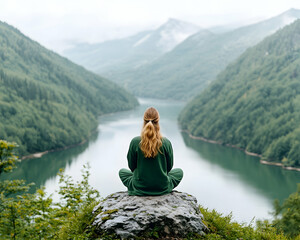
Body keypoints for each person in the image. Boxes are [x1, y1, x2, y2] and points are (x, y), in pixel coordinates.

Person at [119, 107, 183, 196]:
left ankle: (140, 185)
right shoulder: (166, 143)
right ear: (158, 121)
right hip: (162, 187)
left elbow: (131, 166)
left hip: (139, 187)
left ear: (144, 121)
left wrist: (142, 174)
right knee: (179, 172)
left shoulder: (135, 142)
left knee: (122, 172)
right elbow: (169, 167)